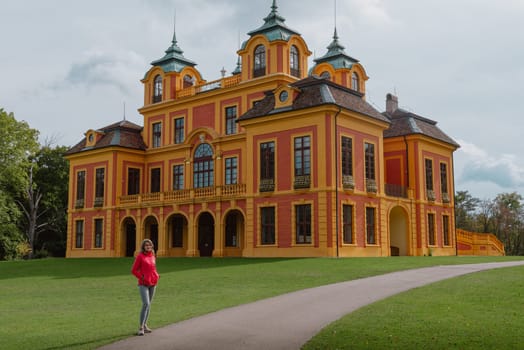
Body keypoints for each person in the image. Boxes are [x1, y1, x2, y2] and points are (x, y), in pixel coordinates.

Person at [131, 239, 160, 336]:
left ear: (152, 246)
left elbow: (153, 268)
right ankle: (141, 327)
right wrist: (142, 277)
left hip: (153, 283)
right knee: (145, 303)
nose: (148, 247)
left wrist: (156, 275)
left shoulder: (152, 256)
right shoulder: (140, 256)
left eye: (150, 245)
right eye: (146, 245)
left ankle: (145, 325)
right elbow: (134, 270)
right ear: (143, 247)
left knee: (149, 304)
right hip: (143, 284)